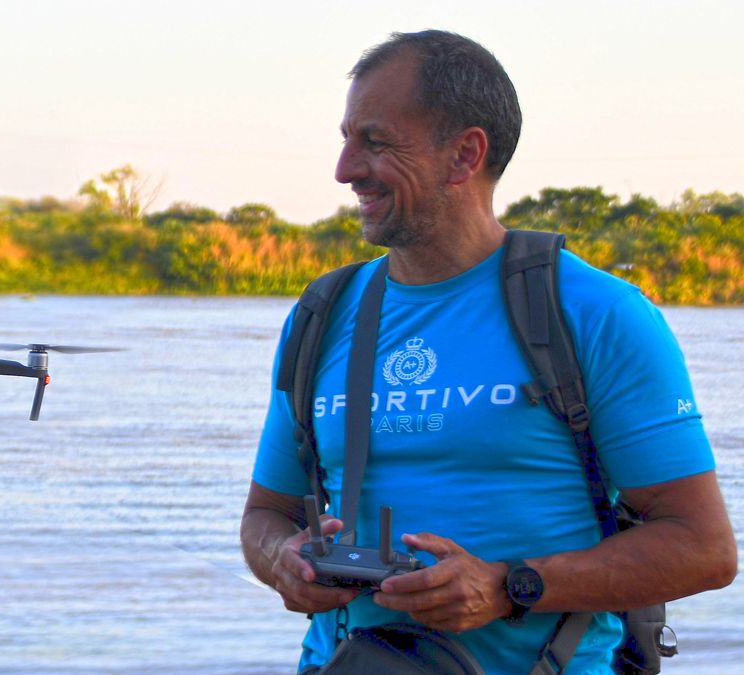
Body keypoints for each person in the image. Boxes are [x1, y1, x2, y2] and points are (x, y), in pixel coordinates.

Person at [240, 30, 736, 674]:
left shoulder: (596, 312)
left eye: (376, 142)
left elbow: (703, 550)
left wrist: (510, 587)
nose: (345, 169)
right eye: (345, 139)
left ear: (464, 155)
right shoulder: (322, 315)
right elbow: (264, 515)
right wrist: (284, 560)